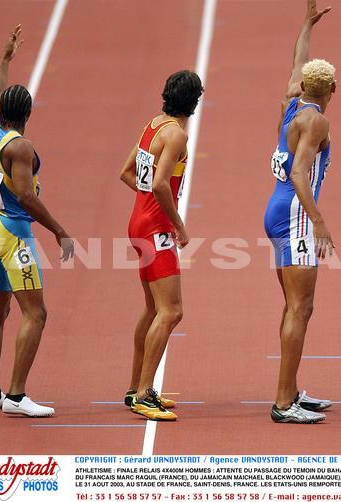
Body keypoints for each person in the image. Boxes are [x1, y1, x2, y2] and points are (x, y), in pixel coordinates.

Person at [0, 25, 74, 417]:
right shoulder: (20, 146)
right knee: (37, 312)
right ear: (29, 114)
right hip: (13, 235)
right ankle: (16, 397)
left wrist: (5, 58)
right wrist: (60, 231)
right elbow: (26, 196)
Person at [263, 0, 336, 424]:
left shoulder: (293, 99)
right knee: (300, 309)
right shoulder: (317, 122)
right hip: (295, 215)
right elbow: (298, 172)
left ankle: (289, 391)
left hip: (275, 211)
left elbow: (298, 61)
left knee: (293, 306)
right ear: (332, 91)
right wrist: (320, 221)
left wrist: (306, 26)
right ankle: (283, 403)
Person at [119, 70, 203, 421]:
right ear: (194, 102)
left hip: (139, 222)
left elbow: (127, 172)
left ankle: (136, 387)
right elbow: (160, 184)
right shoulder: (177, 135)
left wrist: (147, 212)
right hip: (155, 229)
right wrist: (177, 224)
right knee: (171, 311)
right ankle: (143, 395)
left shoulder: (153, 124)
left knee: (153, 309)